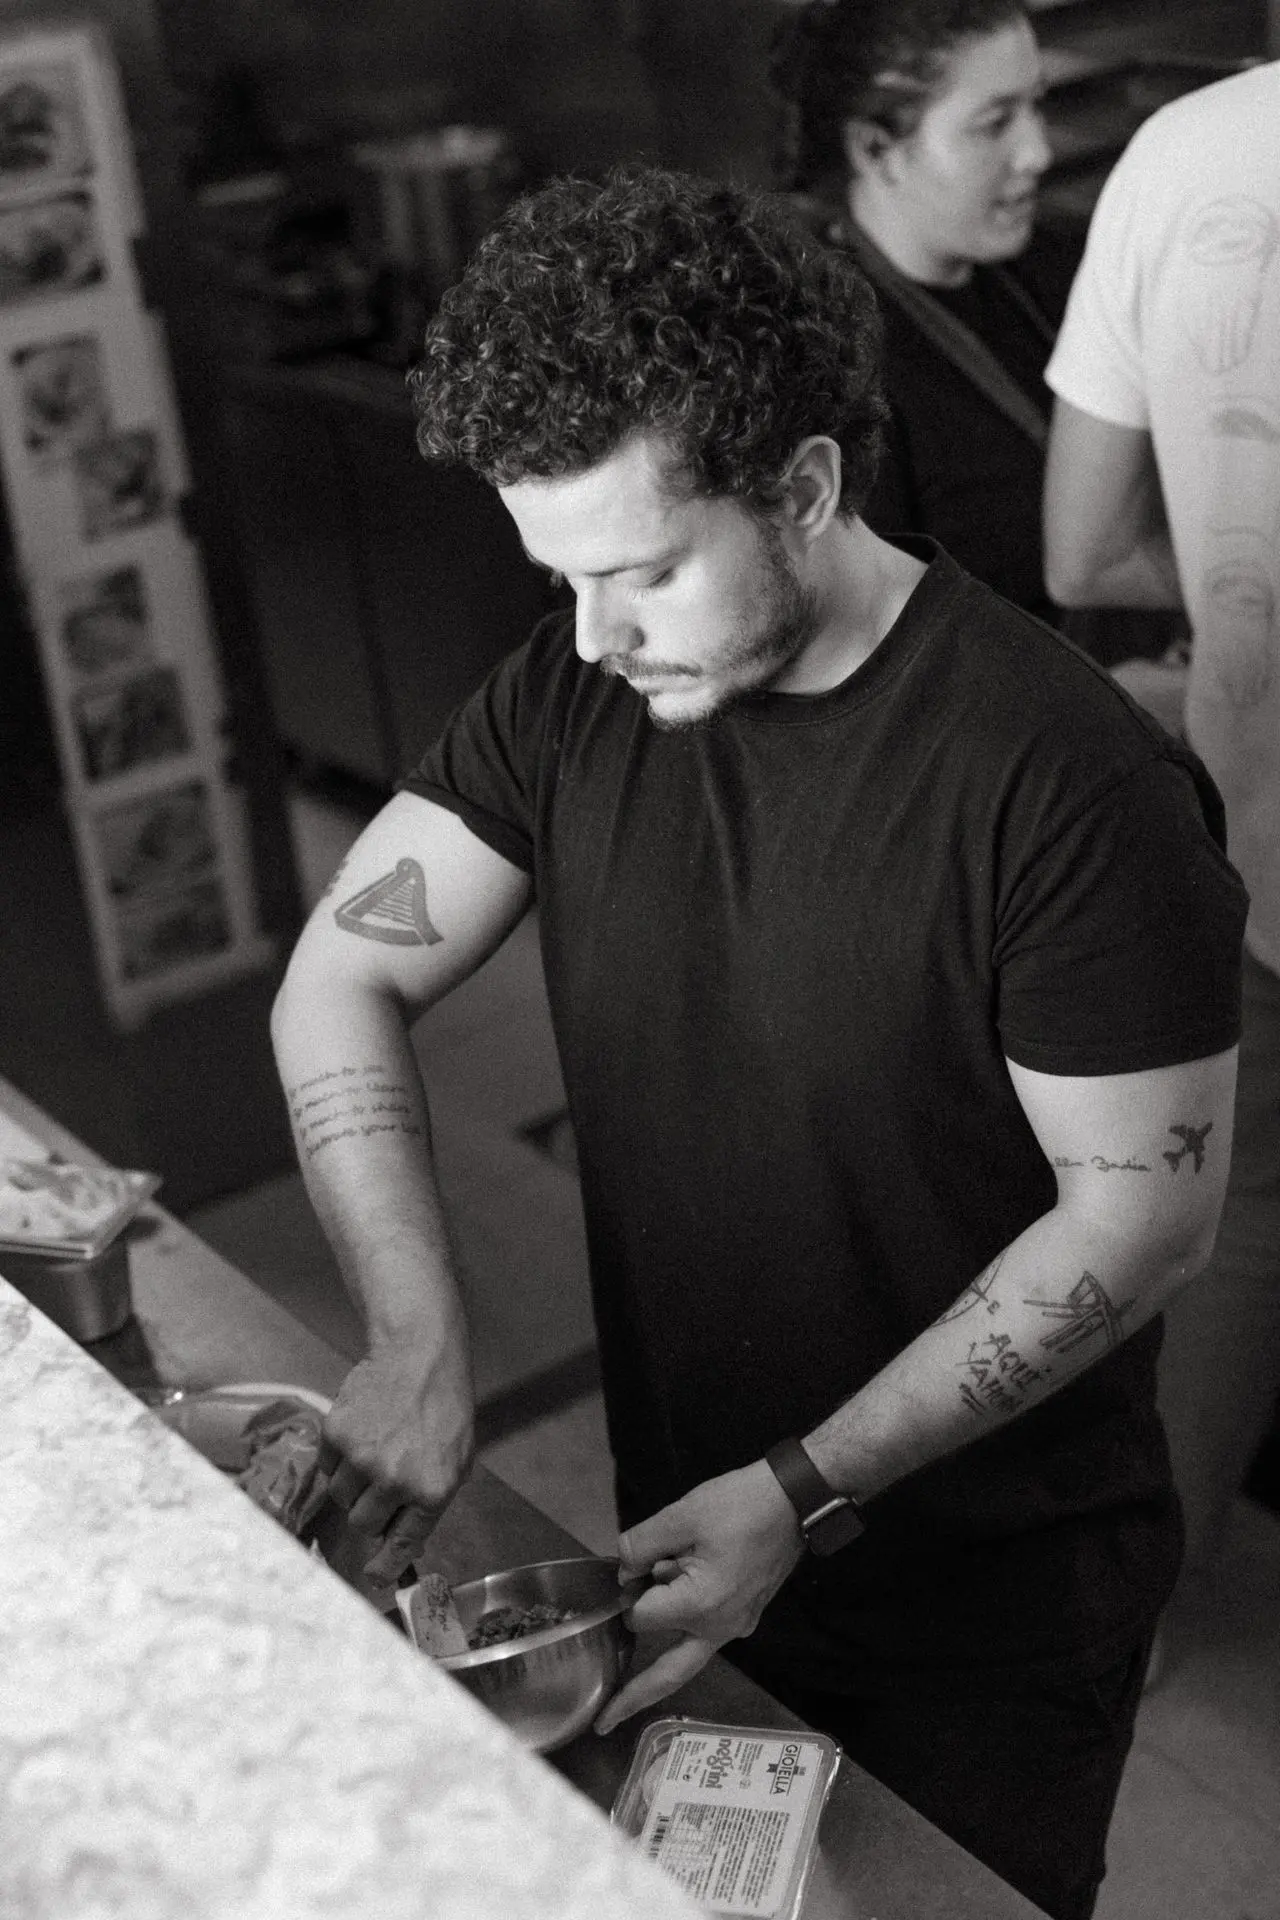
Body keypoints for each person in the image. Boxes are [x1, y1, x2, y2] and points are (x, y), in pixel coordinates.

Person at [270, 164, 1247, 1920]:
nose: (594, 635)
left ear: (803, 488)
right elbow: (339, 975)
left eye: (644, 571)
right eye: (561, 578)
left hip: (982, 1617)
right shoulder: (576, 691)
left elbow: (1143, 1217)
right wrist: (417, 1336)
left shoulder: (1068, 785)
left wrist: (803, 1491)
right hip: (684, 1543)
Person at [1042, 61, 1280, 1634]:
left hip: (1264, 832)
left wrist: (1236, 609)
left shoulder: (1184, 151)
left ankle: (1153, 1628)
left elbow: (1081, 548)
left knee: (1240, 1227)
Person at [769, 0, 1177, 663]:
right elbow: (887, 658)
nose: (1038, 152)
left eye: (1036, 105)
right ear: (876, 150)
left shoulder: (1058, 265)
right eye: (995, 124)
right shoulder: (830, 363)